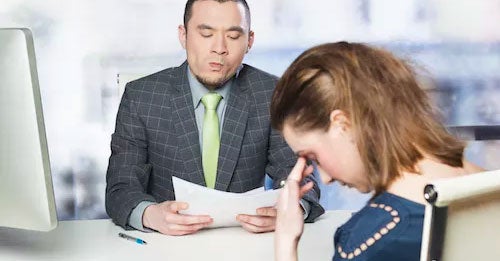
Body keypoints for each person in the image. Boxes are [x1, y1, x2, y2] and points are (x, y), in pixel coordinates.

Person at [105, 0, 324, 236]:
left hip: (245, 242)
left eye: (233, 36)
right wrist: (149, 215)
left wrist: (291, 209)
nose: (219, 48)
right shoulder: (141, 96)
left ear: (249, 41)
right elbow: (121, 187)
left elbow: (297, 173)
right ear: (183, 35)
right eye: (206, 33)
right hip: (165, 245)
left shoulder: (273, 93)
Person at [271, 42, 484, 260]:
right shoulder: (484, 183)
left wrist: (285, 240)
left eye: (314, 157)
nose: (325, 179)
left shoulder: (373, 238)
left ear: (342, 124)